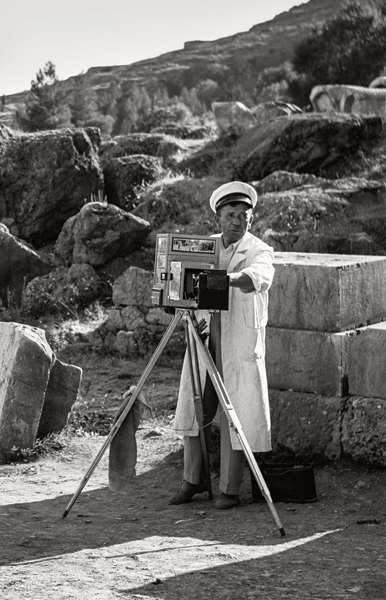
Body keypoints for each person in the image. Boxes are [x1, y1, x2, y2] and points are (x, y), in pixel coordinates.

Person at [168, 181, 275, 510]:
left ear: (251, 219)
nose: (237, 221)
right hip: (204, 338)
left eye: (244, 215)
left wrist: (222, 280)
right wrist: (172, 289)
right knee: (194, 408)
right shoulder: (204, 248)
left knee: (235, 413)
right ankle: (193, 480)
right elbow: (178, 278)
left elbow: (258, 277)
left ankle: (229, 488)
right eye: (231, 214)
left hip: (238, 343)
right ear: (218, 217)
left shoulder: (259, 249)